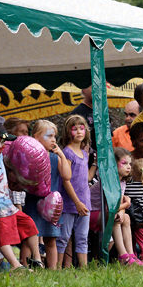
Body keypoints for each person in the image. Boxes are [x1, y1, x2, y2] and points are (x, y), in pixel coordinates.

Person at [0, 125, 39, 271]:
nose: (2, 146)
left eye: (4, 142)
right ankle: (16, 265)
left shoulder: (0, 155)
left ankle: (37, 259)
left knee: (29, 224)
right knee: (4, 235)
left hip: (8, 204)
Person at [23, 119, 71, 269]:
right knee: (29, 237)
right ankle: (24, 266)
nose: (53, 140)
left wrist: (62, 156)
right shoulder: (30, 156)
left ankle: (52, 269)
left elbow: (67, 176)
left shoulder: (55, 157)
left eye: (54, 137)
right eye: (49, 136)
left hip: (51, 205)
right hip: (33, 201)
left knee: (51, 238)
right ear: (36, 137)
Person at [58, 115, 94, 269]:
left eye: (82, 128)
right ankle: (57, 266)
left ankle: (83, 267)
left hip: (85, 202)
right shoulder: (67, 153)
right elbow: (66, 180)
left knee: (82, 237)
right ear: (68, 132)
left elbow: (86, 178)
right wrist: (76, 202)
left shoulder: (84, 154)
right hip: (70, 203)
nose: (79, 131)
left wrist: (95, 165)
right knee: (63, 237)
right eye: (75, 129)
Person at [109, 148, 143, 265]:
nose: (128, 167)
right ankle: (123, 256)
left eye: (130, 164)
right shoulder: (109, 182)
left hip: (112, 210)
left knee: (125, 218)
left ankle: (131, 255)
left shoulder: (122, 183)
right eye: (124, 163)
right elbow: (110, 206)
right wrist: (126, 204)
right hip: (97, 210)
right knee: (117, 219)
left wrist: (123, 209)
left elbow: (118, 205)